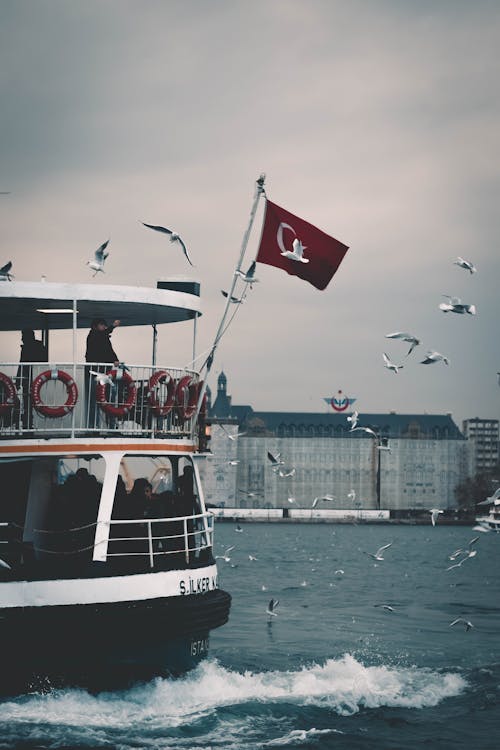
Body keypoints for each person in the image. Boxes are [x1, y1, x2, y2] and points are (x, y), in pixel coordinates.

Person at [85, 318, 120, 428]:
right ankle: (93, 427)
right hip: (95, 374)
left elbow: (109, 351)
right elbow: (102, 337)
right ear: (95, 327)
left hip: (106, 373)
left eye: (105, 325)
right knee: (94, 401)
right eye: (102, 325)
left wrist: (116, 359)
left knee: (110, 401)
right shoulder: (93, 336)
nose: (104, 327)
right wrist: (112, 326)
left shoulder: (103, 338)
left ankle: (112, 426)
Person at [16, 330, 48, 429]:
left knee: (27, 402)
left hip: (28, 378)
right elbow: (45, 361)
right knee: (38, 400)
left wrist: (18, 380)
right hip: (39, 378)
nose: (21, 339)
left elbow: (22, 364)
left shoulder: (26, 348)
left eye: (23, 336)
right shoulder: (40, 346)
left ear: (27, 337)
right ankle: (36, 423)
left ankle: (28, 424)